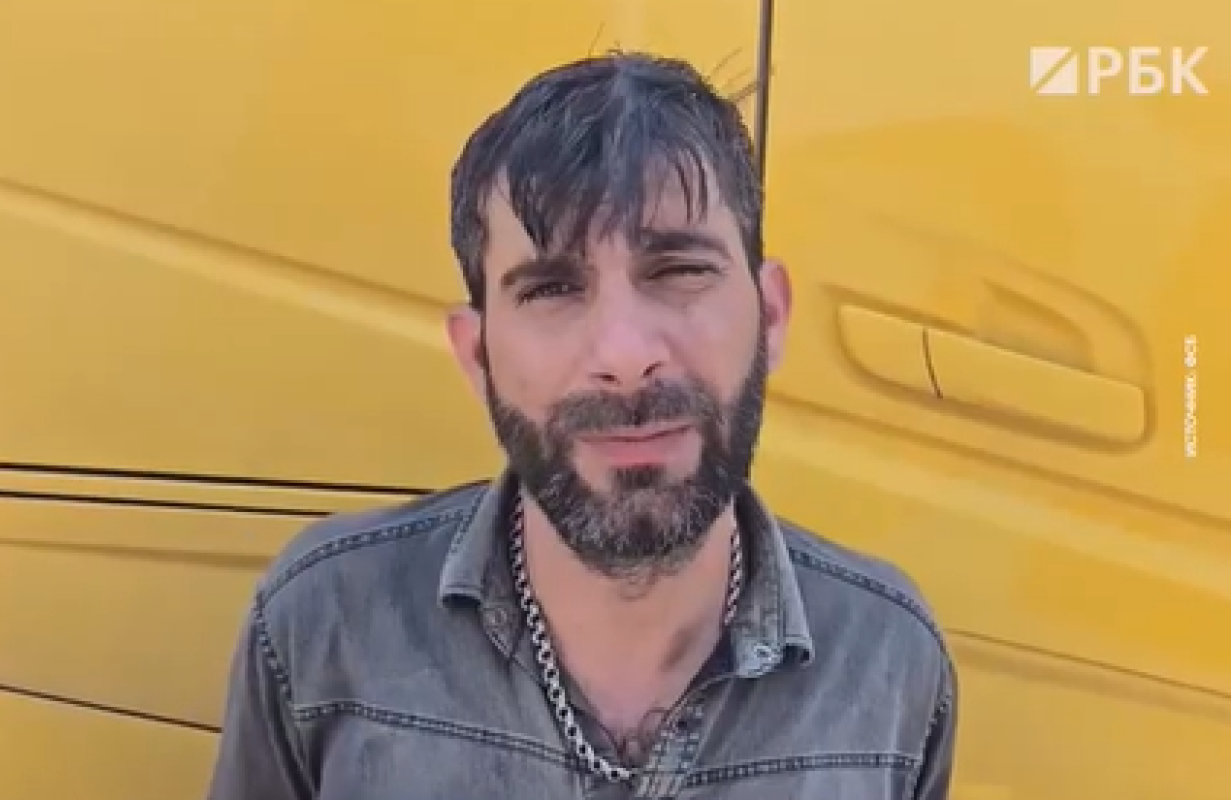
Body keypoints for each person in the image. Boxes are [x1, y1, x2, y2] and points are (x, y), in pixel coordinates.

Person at [206, 51, 958, 799]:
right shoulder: (324, 627)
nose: (625, 357)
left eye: (679, 270)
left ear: (771, 316)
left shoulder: (889, 662)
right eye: (552, 288)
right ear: (477, 355)